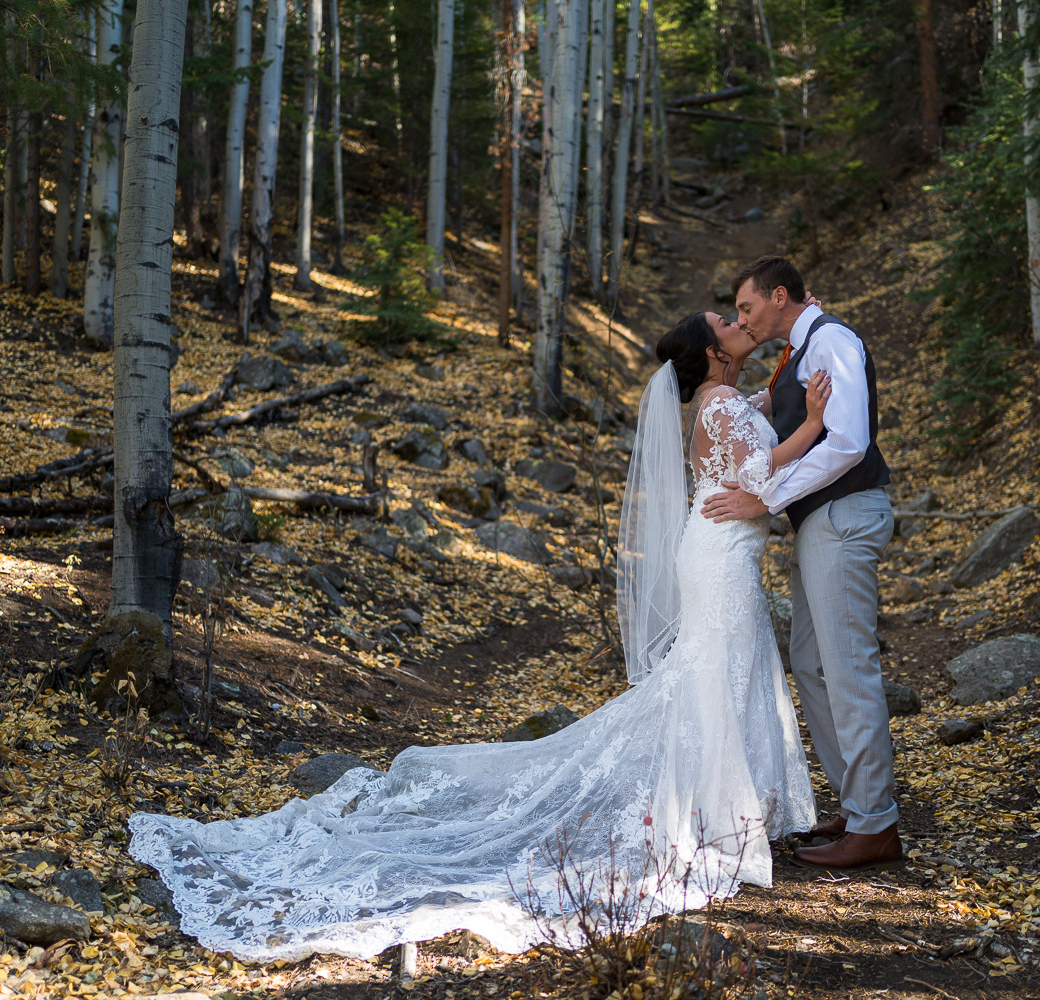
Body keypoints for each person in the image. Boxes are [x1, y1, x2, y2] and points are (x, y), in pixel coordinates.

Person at [126, 311, 827, 963]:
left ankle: (730, 808)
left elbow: (741, 455)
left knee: (716, 672)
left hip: (719, 550)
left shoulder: (722, 403)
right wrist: (814, 424)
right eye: (727, 323)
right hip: (723, 557)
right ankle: (722, 817)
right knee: (715, 673)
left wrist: (771, 412)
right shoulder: (722, 404)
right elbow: (759, 476)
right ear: (712, 355)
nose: (739, 324)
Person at [702, 255, 901, 872]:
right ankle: (858, 801)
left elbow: (846, 441)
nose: (743, 319)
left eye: (747, 307)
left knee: (847, 666)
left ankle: (875, 825)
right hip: (818, 522)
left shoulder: (833, 342)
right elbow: (769, 417)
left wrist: (765, 497)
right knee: (813, 663)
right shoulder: (797, 354)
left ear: (779, 295)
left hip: (843, 515)